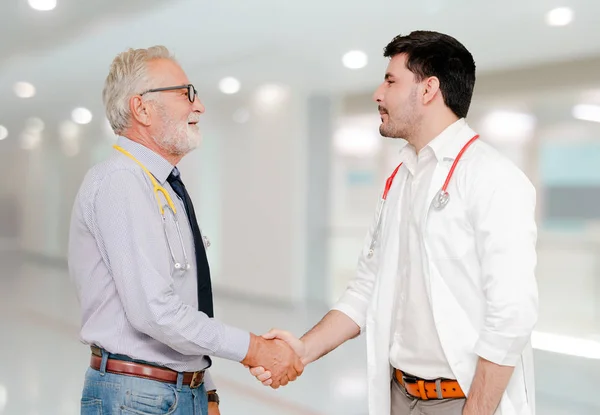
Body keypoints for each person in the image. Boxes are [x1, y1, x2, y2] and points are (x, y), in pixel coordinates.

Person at [250, 30, 538, 415]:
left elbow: (512, 315)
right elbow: (366, 287)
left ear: (428, 89)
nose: (378, 94)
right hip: (399, 395)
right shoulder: (402, 178)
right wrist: (303, 348)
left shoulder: (493, 177)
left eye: (390, 80)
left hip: (464, 401)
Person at [68, 45, 303, 415]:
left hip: (176, 392)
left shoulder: (162, 185)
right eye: (185, 93)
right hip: (136, 398)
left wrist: (205, 389)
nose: (200, 106)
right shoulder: (121, 181)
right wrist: (255, 348)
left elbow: (185, 302)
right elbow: (155, 312)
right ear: (141, 108)